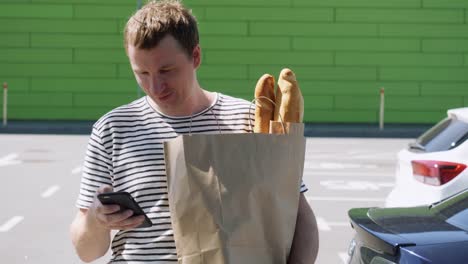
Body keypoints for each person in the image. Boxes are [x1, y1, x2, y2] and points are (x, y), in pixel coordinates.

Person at [69, 0, 319, 263]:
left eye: (167, 70)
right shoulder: (112, 129)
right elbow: (87, 252)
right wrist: (97, 220)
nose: (155, 86)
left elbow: (299, 217)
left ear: (196, 56)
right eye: (142, 72)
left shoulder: (249, 120)